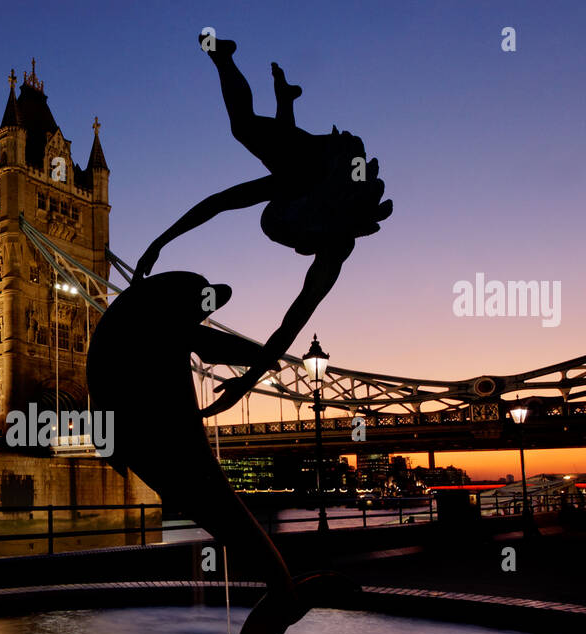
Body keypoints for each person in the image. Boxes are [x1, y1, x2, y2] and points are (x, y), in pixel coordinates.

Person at [134, 34, 393, 417]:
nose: (295, 251)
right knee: (245, 128)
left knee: (274, 143)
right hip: (326, 160)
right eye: (293, 243)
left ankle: (284, 98)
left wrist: (248, 380)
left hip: (329, 165)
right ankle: (225, 58)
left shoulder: (333, 241)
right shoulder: (300, 189)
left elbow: (292, 322)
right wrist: (160, 241)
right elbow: (219, 203)